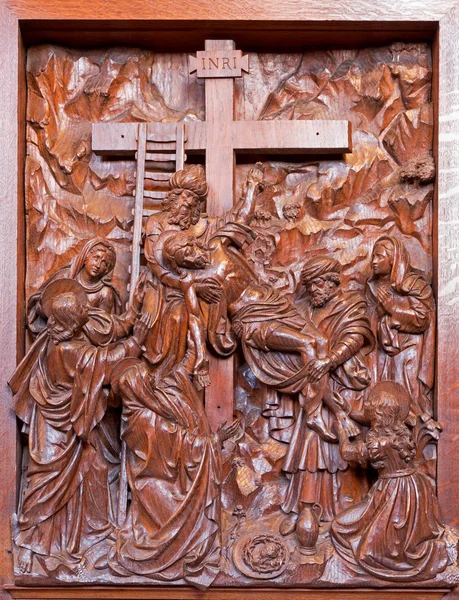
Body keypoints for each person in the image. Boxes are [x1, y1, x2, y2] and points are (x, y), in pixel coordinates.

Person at [8, 280, 150, 574]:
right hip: (57, 432)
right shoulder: (69, 350)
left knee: (91, 471)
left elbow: (109, 330)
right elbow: (108, 362)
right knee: (46, 487)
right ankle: (29, 541)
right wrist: (138, 340)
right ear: (72, 322)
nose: (89, 307)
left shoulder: (56, 339)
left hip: (63, 427)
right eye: (83, 308)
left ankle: (81, 536)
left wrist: (133, 310)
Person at [108, 352, 239, 589]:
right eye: (146, 381)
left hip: (161, 479)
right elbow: (181, 443)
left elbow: (175, 376)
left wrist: (195, 352)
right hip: (157, 485)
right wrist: (215, 440)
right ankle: (178, 553)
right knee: (190, 521)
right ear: (138, 388)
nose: (151, 383)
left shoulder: (140, 407)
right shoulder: (145, 417)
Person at [139, 163, 265, 380]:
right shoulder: (156, 223)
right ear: (174, 196)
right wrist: (193, 286)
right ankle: (163, 382)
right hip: (164, 288)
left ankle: (184, 375)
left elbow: (236, 221)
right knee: (173, 319)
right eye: (185, 196)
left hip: (195, 293)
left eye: (194, 200)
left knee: (191, 314)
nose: (187, 204)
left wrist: (251, 189)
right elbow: (156, 265)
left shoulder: (204, 227)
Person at [280, 255, 374, 529]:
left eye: (316, 285)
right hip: (312, 387)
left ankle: (347, 509)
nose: (313, 292)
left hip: (343, 382)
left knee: (339, 444)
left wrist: (330, 361)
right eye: (309, 287)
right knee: (310, 444)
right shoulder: (304, 309)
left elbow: (356, 337)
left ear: (331, 283)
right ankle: (305, 509)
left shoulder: (350, 306)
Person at [331, 381, 448, 582]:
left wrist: (340, 429)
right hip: (416, 488)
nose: (366, 407)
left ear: (379, 415)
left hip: (394, 495)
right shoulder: (400, 432)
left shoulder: (379, 443)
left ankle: (382, 564)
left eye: (370, 406)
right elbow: (366, 419)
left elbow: (347, 453)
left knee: (346, 532)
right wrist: (347, 408)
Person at [366, 236, 434, 416]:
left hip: (408, 350)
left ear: (393, 259)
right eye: (373, 256)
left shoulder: (415, 285)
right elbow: (369, 319)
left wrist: (393, 308)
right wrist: (379, 314)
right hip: (381, 352)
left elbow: (423, 319)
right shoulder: (372, 287)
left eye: (379, 256)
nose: (373, 261)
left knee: (406, 398)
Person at [28, 237, 122, 335]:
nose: (98, 265)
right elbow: (41, 304)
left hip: (86, 339)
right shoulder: (66, 276)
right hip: (58, 334)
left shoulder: (105, 293)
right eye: (96, 258)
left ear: (107, 269)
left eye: (104, 263)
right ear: (86, 258)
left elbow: (103, 328)